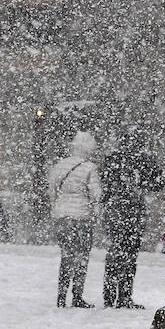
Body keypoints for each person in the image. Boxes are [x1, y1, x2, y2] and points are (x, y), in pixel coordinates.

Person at [101, 126, 161, 309]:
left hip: (115, 212)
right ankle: (124, 296)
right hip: (134, 212)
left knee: (115, 252)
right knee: (130, 255)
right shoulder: (145, 159)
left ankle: (110, 295)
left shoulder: (113, 158)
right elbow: (158, 184)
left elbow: (104, 183)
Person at [48, 131, 103, 308]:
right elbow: (96, 194)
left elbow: (52, 190)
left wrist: (59, 207)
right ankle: (77, 295)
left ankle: (61, 295)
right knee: (81, 257)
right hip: (81, 217)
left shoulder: (60, 165)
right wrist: (94, 210)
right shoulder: (90, 168)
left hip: (62, 215)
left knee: (66, 255)